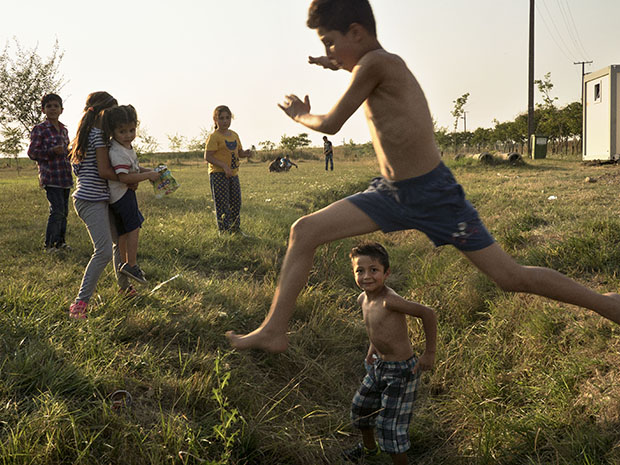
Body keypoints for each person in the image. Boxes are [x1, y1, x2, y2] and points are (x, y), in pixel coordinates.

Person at [226, 0, 620, 353]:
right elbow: (352, 66)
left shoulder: (377, 64)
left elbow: (330, 123)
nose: (328, 52)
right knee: (304, 230)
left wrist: (298, 115)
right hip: (391, 193)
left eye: (331, 41)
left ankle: (608, 303)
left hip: (434, 195)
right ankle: (274, 331)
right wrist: (336, 61)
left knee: (509, 276)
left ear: (357, 32)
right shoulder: (370, 65)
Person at [344, 242, 436, 465]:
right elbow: (376, 329)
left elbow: (427, 313)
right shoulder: (362, 299)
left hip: (401, 372)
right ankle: (369, 450)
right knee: (361, 408)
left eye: (373, 270)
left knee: (390, 428)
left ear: (386, 273)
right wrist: (371, 350)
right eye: (360, 270)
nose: (366, 276)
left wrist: (429, 354)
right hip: (378, 367)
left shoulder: (389, 300)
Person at [68, 92, 135, 319]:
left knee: (119, 243)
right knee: (104, 251)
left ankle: (125, 289)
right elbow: (106, 172)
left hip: (99, 198)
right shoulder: (97, 136)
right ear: (103, 113)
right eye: (113, 113)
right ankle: (80, 303)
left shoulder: (87, 134)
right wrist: (129, 178)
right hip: (91, 200)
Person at [102, 104, 161, 284]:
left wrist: (149, 171)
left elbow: (133, 169)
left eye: (131, 130)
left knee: (122, 233)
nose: (128, 135)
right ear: (113, 131)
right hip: (122, 195)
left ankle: (125, 263)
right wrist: (148, 175)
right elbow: (124, 177)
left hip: (119, 196)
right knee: (133, 228)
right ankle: (131, 265)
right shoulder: (117, 151)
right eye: (122, 131)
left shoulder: (125, 147)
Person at [27, 93, 73, 251]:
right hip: (51, 176)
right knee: (57, 210)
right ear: (43, 110)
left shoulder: (64, 130)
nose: (53, 109)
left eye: (56, 106)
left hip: (65, 177)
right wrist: (52, 151)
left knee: (64, 212)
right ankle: (50, 245)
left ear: (62, 110)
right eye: (49, 106)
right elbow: (32, 153)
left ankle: (61, 243)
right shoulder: (40, 129)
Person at [204, 105, 252, 234]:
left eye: (227, 118)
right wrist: (224, 166)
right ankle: (224, 231)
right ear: (215, 120)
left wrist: (245, 153)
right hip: (218, 174)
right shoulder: (214, 137)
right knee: (222, 204)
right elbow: (207, 156)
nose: (225, 121)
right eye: (221, 118)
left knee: (236, 202)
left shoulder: (234, 135)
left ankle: (236, 229)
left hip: (233, 174)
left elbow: (239, 152)